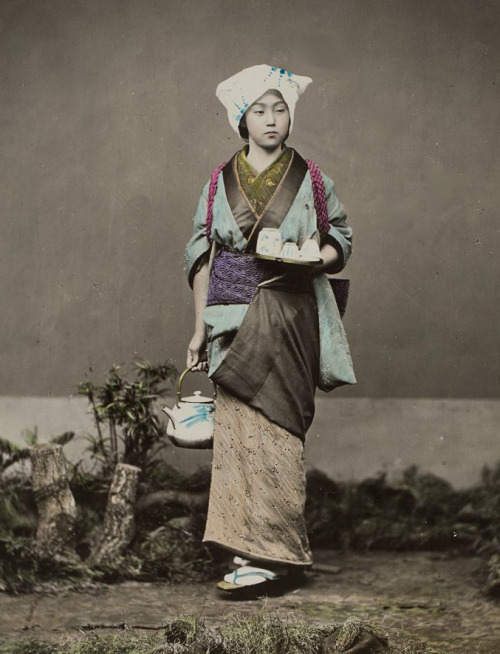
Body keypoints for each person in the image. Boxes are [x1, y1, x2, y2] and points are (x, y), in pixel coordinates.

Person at [184, 64, 356, 596]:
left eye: (280, 109)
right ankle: (243, 551)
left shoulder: (312, 179)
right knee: (237, 436)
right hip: (229, 318)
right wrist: (196, 330)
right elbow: (201, 255)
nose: (271, 120)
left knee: (278, 435)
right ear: (242, 118)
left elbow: (340, 235)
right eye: (259, 110)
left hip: (287, 312)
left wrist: (318, 257)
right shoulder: (218, 183)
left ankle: (278, 556)